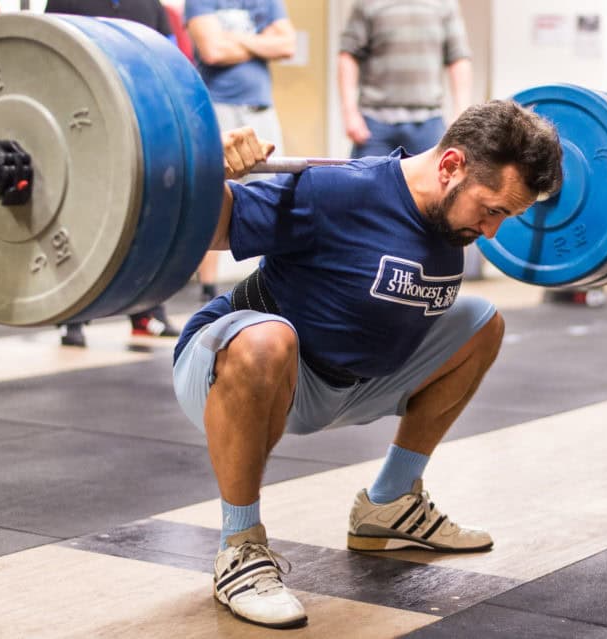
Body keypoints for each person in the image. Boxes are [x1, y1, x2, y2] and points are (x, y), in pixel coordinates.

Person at [171, 101, 563, 628]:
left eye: (504, 217)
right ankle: (239, 547)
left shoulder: (450, 221)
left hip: (350, 383)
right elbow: (215, 229)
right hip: (238, 368)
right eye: (490, 210)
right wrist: (208, 171)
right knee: (266, 340)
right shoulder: (338, 192)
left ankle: (390, 502)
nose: (492, 232)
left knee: (482, 323)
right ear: (451, 166)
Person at [44, 0, 181, 347]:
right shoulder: (66, 0)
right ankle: (73, 318)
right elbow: (48, 56)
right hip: (82, 125)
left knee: (145, 215)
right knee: (80, 215)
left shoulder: (150, 6)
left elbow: (171, 60)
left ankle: (146, 312)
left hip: (140, 123)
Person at [185, 0, 295, 303]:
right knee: (210, 196)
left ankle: (271, 285)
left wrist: (233, 39)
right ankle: (207, 288)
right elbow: (213, 51)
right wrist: (261, 43)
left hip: (260, 109)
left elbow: (287, 45)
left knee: (274, 198)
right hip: (217, 108)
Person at [338, 0, 473, 159]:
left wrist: (461, 114)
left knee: (438, 174)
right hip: (374, 125)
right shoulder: (366, 3)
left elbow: (459, 58)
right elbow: (348, 56)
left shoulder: (445, 4)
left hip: (429, 123)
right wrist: (349, 113)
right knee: (364, 176)